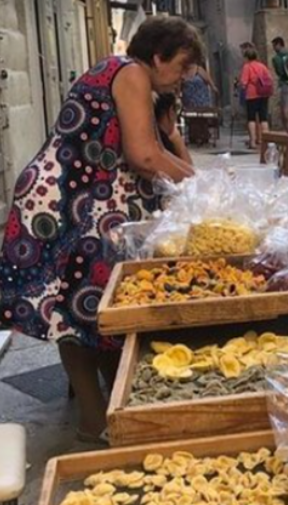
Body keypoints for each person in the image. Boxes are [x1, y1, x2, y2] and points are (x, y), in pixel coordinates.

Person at [0, 15, 202, 443]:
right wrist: (202, 185)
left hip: (72, 201)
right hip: (64, 206)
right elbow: (145, 156)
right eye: (182, 65)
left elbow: (155, 151)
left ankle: (112, 407)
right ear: (158, 55)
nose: (184, 77)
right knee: (85, 313)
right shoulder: (131, 74)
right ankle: (97, 421)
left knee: (81, 312)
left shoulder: (121, 73)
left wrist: (196, 176)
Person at [239, 45, 272, 149]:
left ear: (246, 57)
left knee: (251, 118)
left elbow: (244, 82)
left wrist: (240, 85)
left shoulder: (247, 66)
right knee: (263, 118)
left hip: (252, 95)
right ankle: (265, 141)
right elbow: (269, 78)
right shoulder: (262, 66)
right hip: (264, 94)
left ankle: (253, 142)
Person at [180, 63, 218, 146]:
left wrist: (213, 87)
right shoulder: (182, 71)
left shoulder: (199, 69)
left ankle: (203, 136)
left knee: (201, 116)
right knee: (192, 118)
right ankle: (194, 136)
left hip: (201, 99)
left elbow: (208, 80)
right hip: (189, 100)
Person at [154, 93, 193, 164]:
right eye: (177, 108)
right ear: (171, 111)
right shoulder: (164, 145)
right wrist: (178, 139)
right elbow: (191, 170)